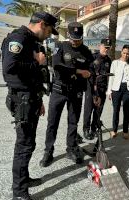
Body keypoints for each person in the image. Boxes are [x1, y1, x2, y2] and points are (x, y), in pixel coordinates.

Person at [2, 11, 58, 200]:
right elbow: (9, 68)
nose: (50, 34)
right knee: (23, 146)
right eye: (50, 30)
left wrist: (40, 100)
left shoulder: (31, 40)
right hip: (22, 101)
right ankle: (18, 192)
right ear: (42, 24)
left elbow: (33, 77)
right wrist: (36, 61)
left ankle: (23, 179)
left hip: (31, 99)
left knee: (29, 144)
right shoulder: (18, 38)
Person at [39, 22, 93, 167]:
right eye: (73, 38)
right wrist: (78, 71)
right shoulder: (60, 47)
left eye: (78, 38)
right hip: (59, 90)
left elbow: (91, 72)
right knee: (52, 122)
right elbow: (57, 66)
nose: (75, 41)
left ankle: (71, 148)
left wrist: (93, 91)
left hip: (76, 93)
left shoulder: (86, 52)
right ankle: (48, 151)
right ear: (68, 35)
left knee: (73, 123)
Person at [83, 38, 112, 140]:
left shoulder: (109, 60)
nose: (106, 49)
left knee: (98, 110)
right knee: (88, 109)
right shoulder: (92, 57)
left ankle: (93, 128)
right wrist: (93, 87)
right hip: (91, 87)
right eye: (105, 47)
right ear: (100, 46)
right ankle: (86, 130)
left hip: (102, 88)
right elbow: (89, 73)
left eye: (108, 48)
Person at [107, 44, 129, 139]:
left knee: (126, 111)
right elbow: (111, 78)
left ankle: (125, 131)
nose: (125, 55)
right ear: (121, 52)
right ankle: (114, 130)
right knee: (116, 110)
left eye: (128, 54)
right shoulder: (115, 63)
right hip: (116, 89)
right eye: (124, 53)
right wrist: (109, 91)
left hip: (128, 89)